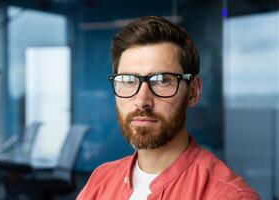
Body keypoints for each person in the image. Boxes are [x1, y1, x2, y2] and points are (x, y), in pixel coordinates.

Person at [76, 16, 259, 200]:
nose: (142, 100)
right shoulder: (100, 181)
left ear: (193, 91)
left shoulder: (229, 196)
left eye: (162, 81)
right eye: (129, 81)